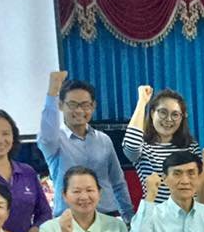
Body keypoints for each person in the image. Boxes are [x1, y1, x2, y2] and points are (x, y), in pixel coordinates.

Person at [38, 70, 133, 221]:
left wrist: (129, 217)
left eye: (85, 105)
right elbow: (47, 135)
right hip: (69, 218)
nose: (79, 110)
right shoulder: (55, 141)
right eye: (73, 104)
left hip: (107, 216)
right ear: (61, 105)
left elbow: (118, 182)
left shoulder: (104, 140)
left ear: (93, 106)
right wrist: (52, 92)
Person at [123, 85, 201, 203]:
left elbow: (199, 186)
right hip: (154, 212)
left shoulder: (191, 146)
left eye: (175, 114)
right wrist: (142, 102)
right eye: (163, 112)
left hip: (187, 211)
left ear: (182, 118)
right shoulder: (143, 147)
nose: (169, 119)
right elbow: (131, 144)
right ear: (152, 113)